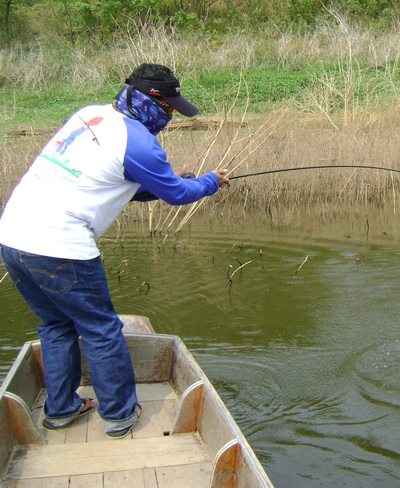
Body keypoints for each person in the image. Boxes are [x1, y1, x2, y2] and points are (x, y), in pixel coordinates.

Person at [0, 63, 229, 439]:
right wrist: (209, 182)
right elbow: (177, 195)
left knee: (56, 325)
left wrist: (174, 181)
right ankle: (121, 414)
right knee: (102, 330)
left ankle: (61, 410)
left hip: (13, 238)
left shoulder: (89, 116)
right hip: (60, 246)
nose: (170, 115)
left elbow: (120, 183)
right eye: (169, 107)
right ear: (150, 101)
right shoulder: (138, 142)